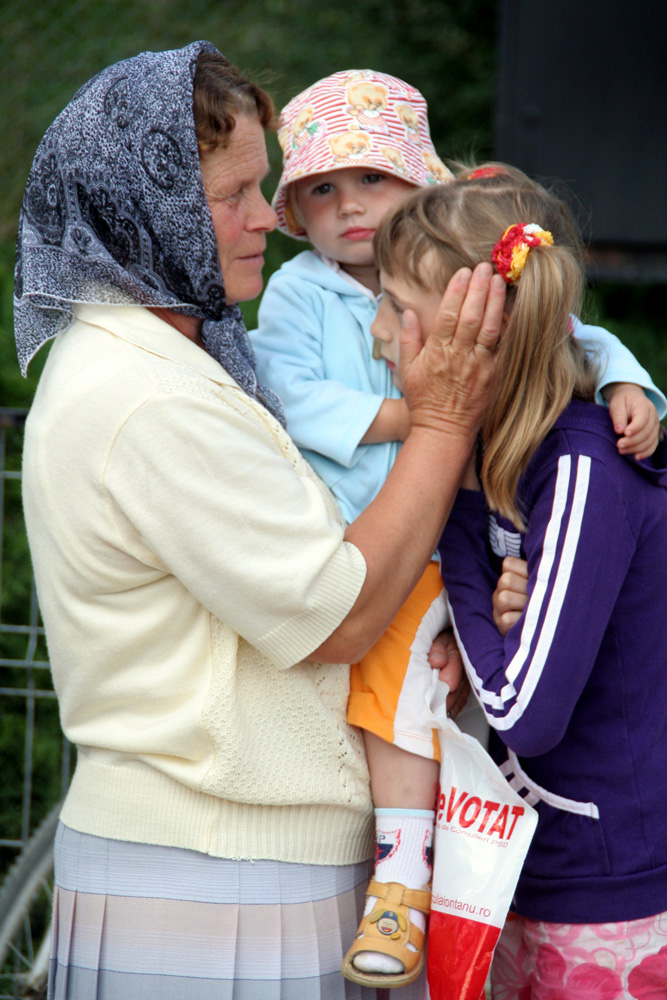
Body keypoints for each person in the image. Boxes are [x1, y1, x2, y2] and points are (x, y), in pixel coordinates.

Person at [16, 42, 506, 1000]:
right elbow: (337, 615)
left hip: (229, 862)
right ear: (142, 204)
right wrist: (445, 420)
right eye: (231, 194)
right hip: (214, 879)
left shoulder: (179, 358)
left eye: (262, 186)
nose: (263, 220)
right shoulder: (150, 396)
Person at [250, 73, 666, 989]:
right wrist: (430, 425)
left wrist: (629, 385)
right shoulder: (301, 294)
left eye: (372, 180)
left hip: (601, 883)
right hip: (395, 542)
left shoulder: (575, 466)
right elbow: (286, 392)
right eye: (321, 188)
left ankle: (406, 872)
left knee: (434, 692)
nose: (347, 206)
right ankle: (406, 872)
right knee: (406, 688)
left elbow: (524, 707)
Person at [371, 165, 667, 998]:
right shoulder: (523, 461)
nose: (378, 332)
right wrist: (498, 625)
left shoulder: (579, 469)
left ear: (477, 328)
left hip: (606, 899)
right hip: (532, 872)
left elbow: (524, 713)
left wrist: (463, 522)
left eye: (394, 306)